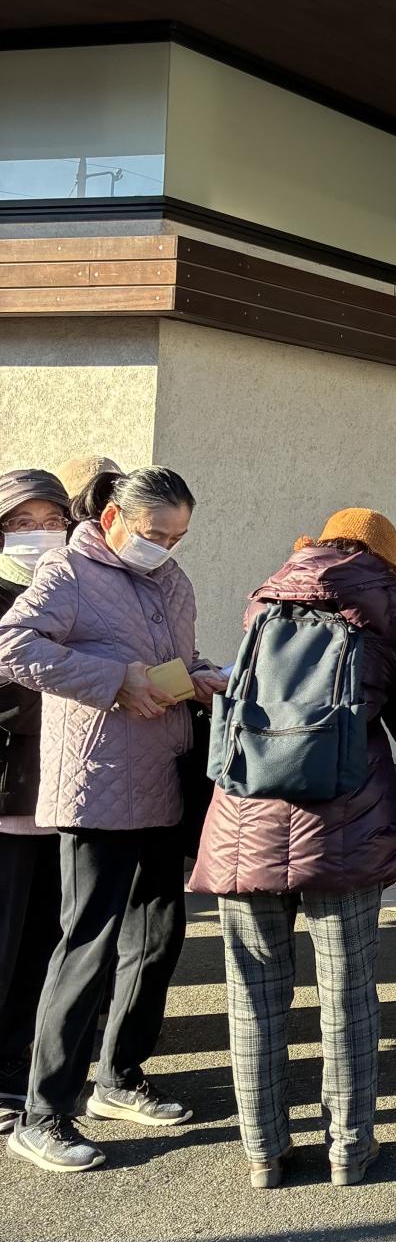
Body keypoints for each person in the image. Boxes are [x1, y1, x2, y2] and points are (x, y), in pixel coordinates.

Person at [192, 508, 396, 1189]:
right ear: (385, 558)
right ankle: (349, 1149)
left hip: (247, 817)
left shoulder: (266, 597)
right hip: (344, 825)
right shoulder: (385, 610)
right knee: (347, 993)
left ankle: (263, 1152)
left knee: (254, 994)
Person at [0, 467, 223, 1174]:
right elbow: (12, 646)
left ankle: (119, 1076)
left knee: (157, 937)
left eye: (178, 537)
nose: (166, 547)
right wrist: (112, 681)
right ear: (113, 519)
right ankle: (43, 1114)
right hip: (96, 784)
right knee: (87, 943)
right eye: (156, 534)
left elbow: (172, 661)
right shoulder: (69, 571)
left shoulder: (172, 581)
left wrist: (203, 676)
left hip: (165, 774)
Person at [0, 469, 73, 1137]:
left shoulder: (73, 590)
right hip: (6, 793)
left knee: (38, 945)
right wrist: (76, 683)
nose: (38, 535)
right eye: (21, 524)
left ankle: (15, 1062)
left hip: (61, 795)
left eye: (50, 521)